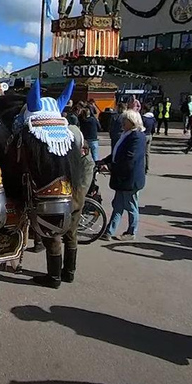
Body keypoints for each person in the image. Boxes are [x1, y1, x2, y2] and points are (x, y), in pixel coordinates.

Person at [34, 124, 95, 288]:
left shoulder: (86, 163)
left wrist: (60, 202)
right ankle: (64, 273)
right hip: (68, 203)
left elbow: (81, 191)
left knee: (59, 237)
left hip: (70, 205)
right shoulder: (73, 159)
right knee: (67, 237)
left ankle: (58, 276)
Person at [99, 109, 147, 241]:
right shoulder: (127, 134)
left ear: (132, 122)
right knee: (118, 205)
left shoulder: (137, 136)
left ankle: (131, 231)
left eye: (125, 121)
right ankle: (109, 231)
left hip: (130, 178)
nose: (122, 123)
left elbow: (129, 159)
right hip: (123, 178)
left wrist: (110, 167)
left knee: (131, 206)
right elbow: (117, 153)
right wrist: (105, 161)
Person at [141, 104, 156, 173]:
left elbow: (141, 128)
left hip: (144, 135)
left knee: (142, 152)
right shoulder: (153, 118)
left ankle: (142, 167)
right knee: (147, 153)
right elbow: (153, 128)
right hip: (150, 135)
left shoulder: (143, 118)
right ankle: (147, 166)